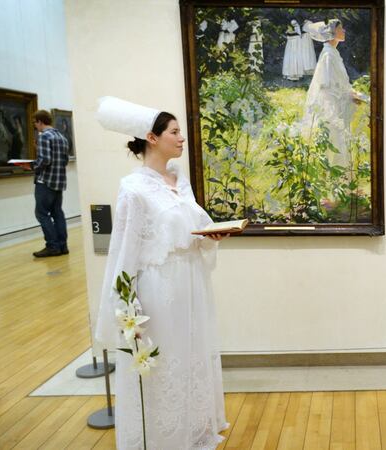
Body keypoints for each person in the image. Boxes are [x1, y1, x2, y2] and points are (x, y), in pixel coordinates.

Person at [94, 96, 229, 449]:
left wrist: (210, 236)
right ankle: (163, 438)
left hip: (192, 283)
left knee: (191, 355)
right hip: (159, 290)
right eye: (174, 131)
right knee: (164, 363)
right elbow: (125, 252)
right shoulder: (134, 190)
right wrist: (128, 311)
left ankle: (193, 429)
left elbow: (193, 228)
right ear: (152, 138)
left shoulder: (178, 182)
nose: (182, 138)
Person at [302, 19, 365, 163]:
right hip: (331, 107)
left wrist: (352, 94)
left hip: (335, 105)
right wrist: (349, 95)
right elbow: (328, 86)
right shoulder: (328, 55)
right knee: (334, 140)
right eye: (340, 28)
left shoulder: (333, 53)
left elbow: (340, 82)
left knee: (339, 141)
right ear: (332, 32)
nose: (344, 31)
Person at [30, 109, 70, 257]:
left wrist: (32, 165)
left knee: (41, 214)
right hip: (59, 181)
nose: (35, 126)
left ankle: (52, 246)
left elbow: (45, 160)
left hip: (45, 182)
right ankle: (62, 246)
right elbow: (64, 161)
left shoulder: (44, 136)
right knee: (57, 213)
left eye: (35, 123)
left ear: (40, 121)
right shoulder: (62, 137)